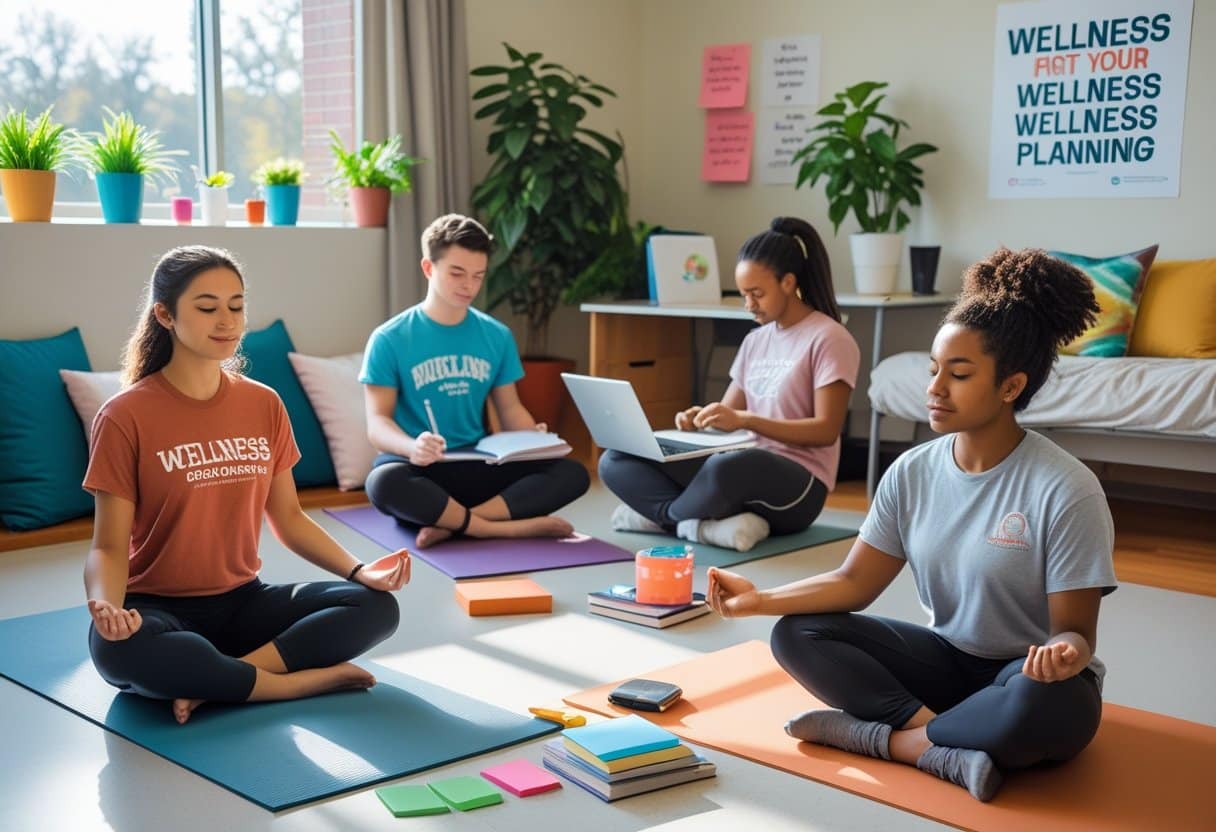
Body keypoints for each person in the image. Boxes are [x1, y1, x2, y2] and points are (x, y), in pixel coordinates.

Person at [707, 247, 1115, 802]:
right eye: (933, 370)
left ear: (1011, 387)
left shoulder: (1065, 488)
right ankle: (942, 743)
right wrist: (760, 600)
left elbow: (1077, 634)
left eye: (960, 374)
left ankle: (886, 741)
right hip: (945, 665)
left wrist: (1063, 653)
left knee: (1046, 708)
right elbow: (854, 585)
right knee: (797, 632)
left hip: (1025, 678)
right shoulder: (912, 471)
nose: (936, 388)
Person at [84, 245, 407, 726]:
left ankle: (223, 680)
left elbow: (290, 520)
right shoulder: (125, 416)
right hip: (157, 609)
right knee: (120, 650)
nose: (228, 321)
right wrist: (109, 609)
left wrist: (360, 571)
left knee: (377, 608)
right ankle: (297, 683)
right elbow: (108, 546)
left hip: (243, 603)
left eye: (236, 306)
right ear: (165, 315)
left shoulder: (263, 404)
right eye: (208, 307)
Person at [600, 217, 860, 552]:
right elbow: (729, 416)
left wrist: (746, 421)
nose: (749, 305)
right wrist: (700, 420)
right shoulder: (755, 340)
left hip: (798, 486)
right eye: (743, 295)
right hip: (739, 462)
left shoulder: (830, 338)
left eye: (757, 294)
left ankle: (661, 519)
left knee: (730, 465)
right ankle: (689, 523)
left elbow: (825, 430)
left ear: (788, 282)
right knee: (618, 457)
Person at [361, 214, 590, 549]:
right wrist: (413, 447)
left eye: (478, 276)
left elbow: (510, 409)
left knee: (573, 474)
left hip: (477, 463)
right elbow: (377, 423)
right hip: (422, 468)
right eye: (457, 273)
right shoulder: (389, 338)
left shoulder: (496, 336)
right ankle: (497, 527)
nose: (468, 285)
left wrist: (532, 441)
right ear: (428, 268)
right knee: (382, 482)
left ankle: (456, 524)